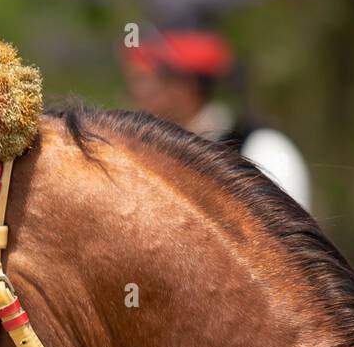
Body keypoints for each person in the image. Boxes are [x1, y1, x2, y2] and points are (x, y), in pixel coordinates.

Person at [122, 27, 312, 210]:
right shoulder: (140, 155)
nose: (132, 93)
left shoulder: (263, 150)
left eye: (142, 80)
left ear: (184, 87)